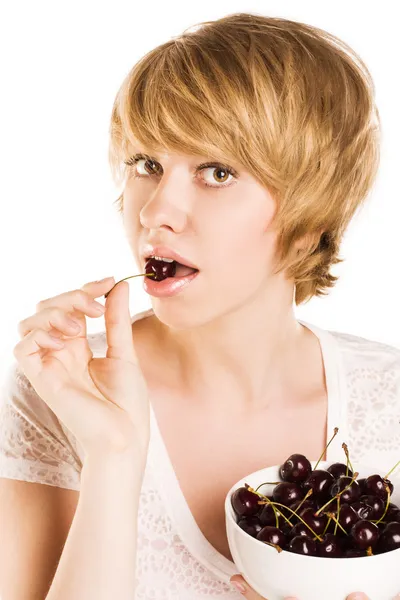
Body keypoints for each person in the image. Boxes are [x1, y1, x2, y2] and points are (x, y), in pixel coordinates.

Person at [0, 11, 399, 600]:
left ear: (314, 209)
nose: (154, 211)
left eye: (216, 172)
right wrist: (113, 454)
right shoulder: (58, 392)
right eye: (147, 165)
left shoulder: (389, 403)